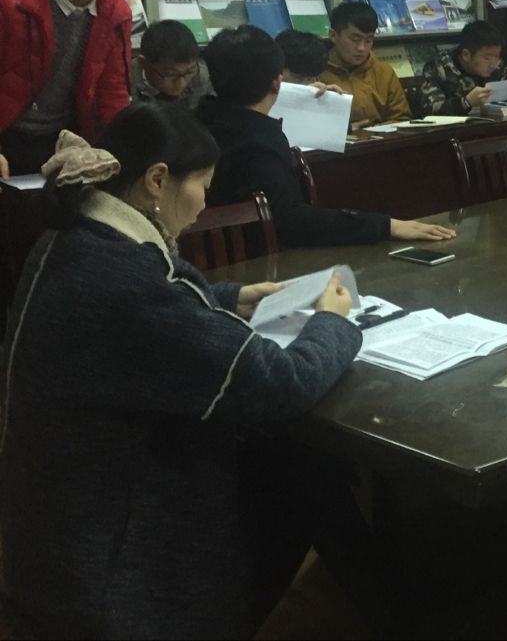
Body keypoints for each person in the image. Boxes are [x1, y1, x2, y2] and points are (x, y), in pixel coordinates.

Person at [0, 104, 362, 637]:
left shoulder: (77, 235)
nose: (205, 203)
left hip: (55, 534)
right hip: (110, 569)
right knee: (306, 468)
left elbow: (153, 316)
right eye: (203, 186)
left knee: (288, 462)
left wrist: (229, 297)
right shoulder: (126, 281)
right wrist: (333, 321)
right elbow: (282, 383)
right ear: (157, 180)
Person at [198, 25, 452, 248]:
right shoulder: (259, 144)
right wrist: (385, 225)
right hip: (265, 261)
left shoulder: (200, 122)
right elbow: (292, 222)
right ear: (277, 81)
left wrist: (307, 102)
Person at [0, 0, 133, 178]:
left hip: (66, 136)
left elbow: (113, 92)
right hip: (7, 131)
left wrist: (123, 153)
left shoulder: (115, 10)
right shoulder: (9, 0)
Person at [418, 20, 507, 115]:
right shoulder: (439, 66)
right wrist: (466, 102)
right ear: (466, 55)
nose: (493, 64)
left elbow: (502, 103)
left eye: (497, 56)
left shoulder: (497, 67)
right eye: (487, 58)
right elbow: (429, 110)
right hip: (450, 133)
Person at [318, 1, 410, 127]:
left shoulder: (384, 72)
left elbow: (402, 119)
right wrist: (347, 130)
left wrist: (371, 131)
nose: (361, 48)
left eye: (368, 40)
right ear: (333, 35)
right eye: (355, 39)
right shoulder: (313, 72)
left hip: (379, 138)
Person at [131, 19, 213, 111]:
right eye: (171, 74)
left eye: (189, 72)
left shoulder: (201, 76)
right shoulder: (125, 80)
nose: (181, 84)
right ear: (143, 63)